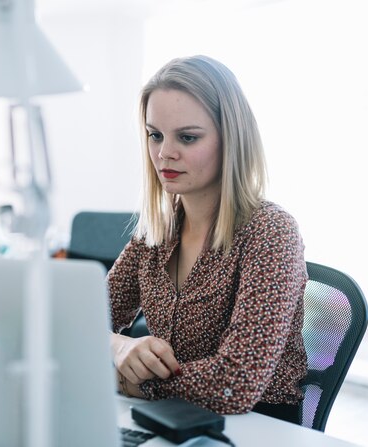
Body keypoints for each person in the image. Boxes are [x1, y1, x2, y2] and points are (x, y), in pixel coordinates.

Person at [108, 55, 307, 420]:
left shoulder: (271, 232)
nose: (164, 153)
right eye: (155, 135)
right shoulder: (157, 229)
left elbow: (235, 384)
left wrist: (134, 382)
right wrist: (115, 345)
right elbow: (85, 319)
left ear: (231, 139)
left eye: (187, 137)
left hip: (255, 426)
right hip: (170, 419)